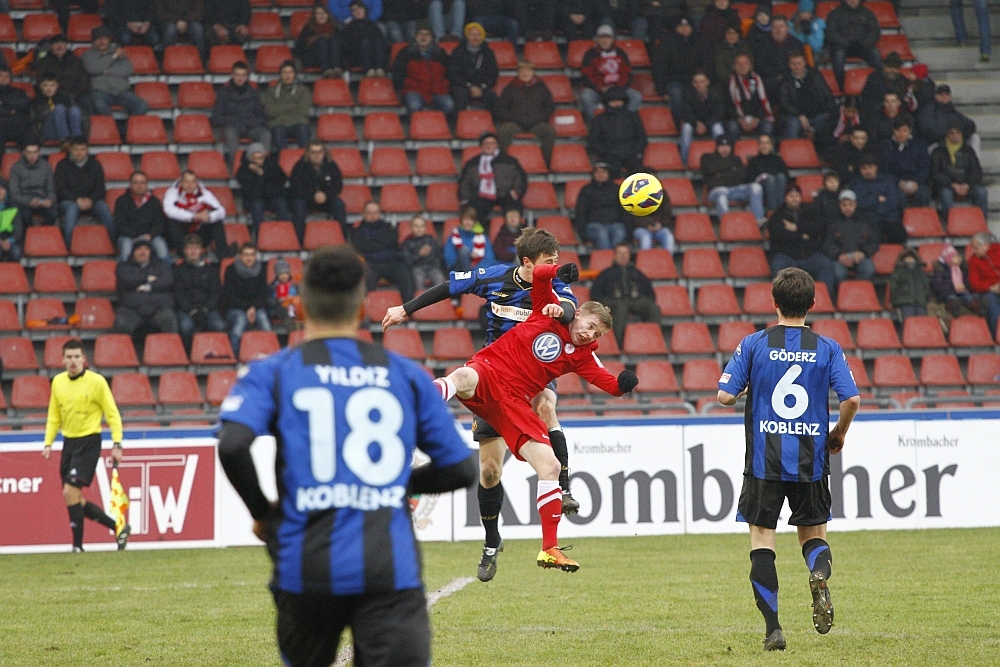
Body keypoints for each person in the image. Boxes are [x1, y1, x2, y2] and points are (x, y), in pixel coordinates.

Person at [217, 244, 477, 667]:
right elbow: (461, 469)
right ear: (361, 308)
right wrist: (397, 480)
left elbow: (231, 446)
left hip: (305, 567)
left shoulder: (272, 371)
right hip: (388, 569)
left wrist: (262, 513)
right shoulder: (407, 375)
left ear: (300, 307)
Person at [381, 229, 582, 580]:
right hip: (494, 377)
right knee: (490, 472)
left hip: (533, 378)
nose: (554, 268)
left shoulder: (554, 287)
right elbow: (448, 287)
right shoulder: (493, 277)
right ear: (526, 263)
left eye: (556, 262)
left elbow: (569, 309)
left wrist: (559, 309)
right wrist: (405, 309)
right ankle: (491, 542)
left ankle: (563, 486)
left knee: (547, 404)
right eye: (548, 263)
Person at [432, 260, 638, 573]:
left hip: (513, 404)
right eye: (589, 325)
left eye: (597, 333)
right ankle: (417, 404)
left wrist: (622, 385)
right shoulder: (549, 309)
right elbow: (540, 275)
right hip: (488, 373)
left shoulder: (582, 355)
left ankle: (549, 549)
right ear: (578, 312)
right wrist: (559, 272)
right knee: (463, 377)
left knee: (550, 466)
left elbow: (605, 381)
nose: (589, 334)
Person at [718, 267, 860, 652]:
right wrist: (840, 432)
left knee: (762, 540)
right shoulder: (828, 347)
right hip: (811, 458)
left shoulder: (754, 344)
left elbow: (725, 397)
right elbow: (852, 399)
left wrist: (746, 387)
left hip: (764, 459)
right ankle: (817, 572)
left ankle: (773, 630)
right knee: (813, 536)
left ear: (774, 302)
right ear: (812, 304)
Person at [43, 339, 130, 553]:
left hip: (89, 441)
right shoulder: (58, 382)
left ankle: (77, 546)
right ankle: (119, 528)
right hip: (69, 443)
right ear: (63, 360)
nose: (73, 361)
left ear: (84, 359)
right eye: (69, 357)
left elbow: (112, 414)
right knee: (75, 499)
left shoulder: (97, 382)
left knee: (69, 492)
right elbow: (54, 415)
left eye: (77, 357)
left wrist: (117, 443)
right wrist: (48, 442)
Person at [768, 183, 836, 299]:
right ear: (785, 197)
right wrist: (803, 235)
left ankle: (826, 300)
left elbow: (820, 228)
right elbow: (779, 236)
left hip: (810, 254)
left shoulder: (810, 211)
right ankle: (784, 304)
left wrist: (797, 228)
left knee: (826, 265)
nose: (794, 199)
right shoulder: (777, 216)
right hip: (787, 255)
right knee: (778, 266)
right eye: (791, 196)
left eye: (797, 196)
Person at [590, 243, 660, 348]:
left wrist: (644, 300)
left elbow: (650, 293)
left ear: (629, 256)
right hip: (612, 302)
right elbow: (595, 293)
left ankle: (653, 342)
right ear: (614, 256)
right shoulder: (605, 274)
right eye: (620, 253)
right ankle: (619, 346)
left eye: (626, 253)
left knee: (653, 308)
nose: (623, 256)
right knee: (621, 307)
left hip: (635, 301)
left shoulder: (637, 273)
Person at [55, 138, 116, 246]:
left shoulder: (96, 165)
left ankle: (115, 242)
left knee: (103, 207)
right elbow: (60, 190)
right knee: (71, 208)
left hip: (92, 201)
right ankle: (68, 246)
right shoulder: (62, 165)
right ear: (70, 150)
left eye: (82, 149)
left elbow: (100, 189)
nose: (79, 152)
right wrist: (76, 200)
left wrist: (91, 200)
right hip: (69, 201)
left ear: (87, 150)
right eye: (76, 149)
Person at [114, 238, 179, 340]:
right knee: (121, 322)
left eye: (146, 249)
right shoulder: (123, 266)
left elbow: (167, 282)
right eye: (139, 249)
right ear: (133, 252)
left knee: (169, 318)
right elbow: (126, 281)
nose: (143, 252)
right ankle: (124, 354)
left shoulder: (161, 265)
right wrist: (147, 278)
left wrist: (146, 287)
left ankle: (169, 354)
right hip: (132, 309)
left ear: (151, 252)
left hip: (158, 308)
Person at [352, 201, 416, 302]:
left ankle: (408, 309)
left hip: (391, 262)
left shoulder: (390, 228)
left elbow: (391, 241)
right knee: (367, 277)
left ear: (380, 213)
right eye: (369, 213)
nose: (373, 215)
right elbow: (361, 246)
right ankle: (369, 312)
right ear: (363, 214)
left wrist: (371, 242)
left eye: (376, 212)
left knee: (405, 273)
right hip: (370, 263)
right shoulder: (356, 231)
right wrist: (381, 243)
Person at [495, 60, 556, 167]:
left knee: (549, 131)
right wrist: (512, 118)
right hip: (515, 123)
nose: (525, 73)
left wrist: (541, 118)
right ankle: (504, 163)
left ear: (533, 72)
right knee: (504, 131)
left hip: (537, 123)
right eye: (522, 70)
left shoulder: (542, 88)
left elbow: (550, 106)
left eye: (528, 70)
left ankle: (545, 163)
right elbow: (501, 108)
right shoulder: (510, 88)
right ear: (518, 72)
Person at [458, 131, 527, 223]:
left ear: (496, 145)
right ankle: (478, 236)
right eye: (485, 143)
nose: (488, 146)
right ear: (481, 146)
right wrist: (465, 200)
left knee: (514, 209)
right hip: (480, 196)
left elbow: (521, 179)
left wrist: (515, 193)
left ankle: (512, 235)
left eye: (491, 143)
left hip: (505, 195)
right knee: (474, 211)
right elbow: (464, 183)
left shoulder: (509, 161)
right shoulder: (472, 164)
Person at [81, 26, 150, 117]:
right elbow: (92, 69)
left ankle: (127, 129)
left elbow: (127, 70)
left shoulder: (119, 52)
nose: (101, 41)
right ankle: (111, 128)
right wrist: (113, 56)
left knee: (142, 106)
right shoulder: (88, 55)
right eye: (98, 39)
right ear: (93, 41)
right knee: (99, 106)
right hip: (100, 92)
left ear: (109, 39)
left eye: (104, 38)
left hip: (122, 91)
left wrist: (105, 71)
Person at [652, 17, 713, 118]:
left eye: (687, 26)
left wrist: (704, 81)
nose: (684, 29)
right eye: (681, 26)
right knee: (676, 94)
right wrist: (662, 90)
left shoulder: (701, 40)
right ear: (676, 28)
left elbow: (707, 63)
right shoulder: (666, 42)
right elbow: (659, 67)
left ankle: (702, 122)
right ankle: (683, 122)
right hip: (674, 81)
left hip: (696, 80)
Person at [579, 24, 643, 121]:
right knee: (586, 96)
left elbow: (628, 73)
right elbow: (586, 75)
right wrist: (600, 87)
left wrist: (618, 88)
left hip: (618, 88)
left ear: (612, 39)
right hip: (599, 89)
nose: (605, 41)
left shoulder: (620, 53)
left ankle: (625, 122)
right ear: (597, 39)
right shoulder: (590, 54)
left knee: (636, 96)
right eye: (602, 37)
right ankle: (595, 126)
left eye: (607, 37)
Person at [288, 139, 347, 244]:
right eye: (313, 152)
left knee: (339, 205)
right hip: (306, 200)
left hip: (326, 199)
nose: (317, 155)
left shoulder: (331, 165)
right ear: (308, 153)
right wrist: (312, 196)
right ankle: (299, 242)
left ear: (324, 153)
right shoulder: (299, 166)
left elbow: (338, 186)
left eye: (319, 152)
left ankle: (342, 240)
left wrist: (326, 195)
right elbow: (296, 187)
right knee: (298, 206)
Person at [212, 61, 271, 165]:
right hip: (233, 127)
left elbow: (262, 116)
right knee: (229, 133)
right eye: (237, 75)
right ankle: (237, 166)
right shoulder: (223, 93)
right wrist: (233, 121)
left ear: (247, 77)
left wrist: (251, 122)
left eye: (243, 75)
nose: (240, 78)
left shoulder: (254, 93)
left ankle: (264, 165)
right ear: (232, 75)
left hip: (251, 127)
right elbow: (216, 117)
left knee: (266, 134)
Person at [174, 234, 226, 350]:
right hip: (186, 310)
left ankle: (216, 353)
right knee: (186, 328)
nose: (193, 251)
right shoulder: (178, 271)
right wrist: (191, 310)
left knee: (219, 326)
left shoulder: (211, 270)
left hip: (208, 308)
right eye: (190, 248)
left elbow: (215, 293)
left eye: (196, 248)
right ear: (185, 251)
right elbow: (178, 294)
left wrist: (206, 309)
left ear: (201, 250)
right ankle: (188, 355)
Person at [222, 243, 272, 357]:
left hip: (256, 308)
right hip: (235, 308)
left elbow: (263, 295)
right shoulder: (231, 270)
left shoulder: (261, 270)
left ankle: (271, 358)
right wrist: (247, 308)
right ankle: (234, 358)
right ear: (240, 256)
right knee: (240, 322)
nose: (249, 258)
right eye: (246, 255)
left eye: (252, 255)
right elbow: (229, 297)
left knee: (265, 322)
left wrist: (253, 308)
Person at [163, 170, 230, 256]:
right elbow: (169, 211)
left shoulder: (204, 193)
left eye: (193, 181)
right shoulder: (172, 193)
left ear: (197, 183)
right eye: (187, 181)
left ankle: (224, 255)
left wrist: (209, 216)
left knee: (217, 221)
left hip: (198, 233)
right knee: (172, 221)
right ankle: (183, 255)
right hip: (181, 233)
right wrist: (193, 216)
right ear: (181, 182)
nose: (190, 185)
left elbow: (221, 211)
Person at [393, 21, 454, 115]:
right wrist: (406, 85)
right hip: (414, 90)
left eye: (427, 34)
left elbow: (449, 72)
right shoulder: (405, 52)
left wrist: (444, 86)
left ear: (432, 37)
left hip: (438, 90)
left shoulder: (440, 53)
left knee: (449, 105)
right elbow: (398, 74)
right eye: (420, 34)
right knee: (414, 106)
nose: (423, 37)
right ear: (415, 36)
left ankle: (436, 126)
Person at [931, 124, 988, 222]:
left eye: (958, 133)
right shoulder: (938, 151)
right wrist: (952, 184)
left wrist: (967, 184)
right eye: (952, 133)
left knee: (981, 192)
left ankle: (982, 223)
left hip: (967, 185)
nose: (955, 136)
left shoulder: (969, 151)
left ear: (962, 135)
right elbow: (935, 174)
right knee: (946, 194)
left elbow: (976, 172)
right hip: (947, 186)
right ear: (947, 135)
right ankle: (950, 223)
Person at [702, 136, 766, 223]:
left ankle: (758, 220)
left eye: (727, 146)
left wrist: (720, 174)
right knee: (721, 195)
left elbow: (743, 176)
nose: (725, 148)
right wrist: (732, 171)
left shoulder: (736, 159)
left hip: (736, 190)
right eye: (722, 146)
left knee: (756, 187)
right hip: (716, 191)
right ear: (717, 147)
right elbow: (710, 171)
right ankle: (727, 225)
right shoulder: (707, 158)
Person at [587, 87, 648, 178]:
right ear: (607, 102)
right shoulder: (599, 119)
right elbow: (593, 141)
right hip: (609, 155)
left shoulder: (633, 117)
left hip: (631, 153)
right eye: (612, 101)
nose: (616, 103)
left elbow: (642, 138)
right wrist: (607, 153)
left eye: (619, 100)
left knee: (640, 173)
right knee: (608, 172)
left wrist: (633, 151)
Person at [823, 189, 879, 287]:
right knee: (838, 273)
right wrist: (839, 255)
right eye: (844, 205)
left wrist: (863, 253)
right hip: (840, 257)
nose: (847, 208)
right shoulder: (833, 222)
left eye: (850, 204)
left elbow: (874, 241)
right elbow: (828, 243)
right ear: (839, 205)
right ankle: (843, 297)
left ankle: (858, 294)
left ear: (855, 204)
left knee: (868, 269)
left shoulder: (866, 220)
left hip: (861, 256)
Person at [777, 51, 836, 142]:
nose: (797, 67)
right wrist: (799, 115)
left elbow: (827, 94)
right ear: (789, 65)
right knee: (793, 123)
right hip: (796, 118)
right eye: (793, 64)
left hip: (817, 116)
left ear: (804, 63)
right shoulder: (785, 80)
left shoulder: (815, 75)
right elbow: (784, 103)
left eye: (799, 63)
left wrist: (829, 111)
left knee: (834, 116)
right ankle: (791, 151)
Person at [825, 0, 882, 91]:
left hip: (863, 45)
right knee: (838, 56)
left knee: (875, 53)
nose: (853, 1)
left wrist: (866, 42)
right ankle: (842, 88)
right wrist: (844, 42)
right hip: (842, 46)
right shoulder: (835, 13)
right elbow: (830, 32)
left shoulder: (867, 12)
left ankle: (880, 85)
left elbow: (875, 31)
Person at [849, 153, 905, 244]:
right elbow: (859, 203)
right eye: (864, 168)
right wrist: (876, 200)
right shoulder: (855, 184)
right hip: (869, 220)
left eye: (870, 167)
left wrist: (875, 207)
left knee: (900, 236)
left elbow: (893, 202)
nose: (868, 171)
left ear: (876, 167)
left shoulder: (888, 180)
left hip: (889, 218)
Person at [114, 171, 170, 262]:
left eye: (142, 183)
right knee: (126, 247)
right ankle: (124, 274)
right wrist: (137, 236)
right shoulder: (121, 201)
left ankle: (167, 275)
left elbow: (159, 224)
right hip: (128, 237)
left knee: (161, 246)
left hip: (150, 237)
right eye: (136, 182)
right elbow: (120, 225)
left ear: (147, 184)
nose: (139, 186)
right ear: (130, 184)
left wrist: (150, 235)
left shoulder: (154, 201)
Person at [235, 143, 291, 232]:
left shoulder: (272, 165)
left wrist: (264, 178)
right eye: (255, 158)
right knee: (257, 206)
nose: (258, 161)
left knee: (281, 203)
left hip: (271, 197)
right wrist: (259, 176)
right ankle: (260, 238)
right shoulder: (243, 171)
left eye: (260, 158)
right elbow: (251, 193)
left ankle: (285, 233)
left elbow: (280, 181)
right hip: (253, 200)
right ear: (250, 158)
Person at [879, 116, 931, 209]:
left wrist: (917, 182)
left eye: (904, 130)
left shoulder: (919, 146)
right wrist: (898, 182)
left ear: (910, 131)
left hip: (916, 181)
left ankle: (919, 221)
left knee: (923, 193)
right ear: (894, 131)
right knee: (898, 196)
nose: (901, 134)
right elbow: (886, 171)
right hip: (896, 183)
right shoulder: (887, 148)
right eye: (898, 130)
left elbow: (925, 168)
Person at [575, 162, 629, 250]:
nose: (600, 174)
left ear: (608, 174)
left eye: (603, 172)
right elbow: (580, 213)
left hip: (615, 224)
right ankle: (607, 260)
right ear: (593, 174)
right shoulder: (586, 190)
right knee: (602, 232)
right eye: (597, 172)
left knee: (619, 231)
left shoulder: (617, 189)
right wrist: (583, 236)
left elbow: (625, 211)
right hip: (594, 226)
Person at [678, 70, 726, 166]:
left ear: (707, 82)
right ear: (693, 83)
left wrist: (706, 125)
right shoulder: (688, 94)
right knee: (686, 128)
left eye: (701, 81)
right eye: (696, 82)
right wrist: (696, 124)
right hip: (694, 123)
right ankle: (684, 163)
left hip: (711, 123)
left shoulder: (716, 94)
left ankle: (722, 161)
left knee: (718, 129)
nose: (699, 85)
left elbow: (719, 113)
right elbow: (686, 113)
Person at [448, 22, 498, 113]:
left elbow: (493, 74)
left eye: (478, 35)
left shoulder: (488, 53)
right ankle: (459, 123)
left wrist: (482, 87)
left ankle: (492, 124)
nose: (475, 37)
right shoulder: (458, 51)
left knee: (492, 97)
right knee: (461, 95)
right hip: (462, 85)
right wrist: (469, 86)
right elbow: (454, 73)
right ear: (467, 35)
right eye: (472, 35)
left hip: (482, 86)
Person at [9, 142, 58, 234]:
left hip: (42, 200)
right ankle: (29, 235)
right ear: (24, 153)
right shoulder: (16, 168)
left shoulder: (46, 166)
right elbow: (14, 194)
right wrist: (28, 201)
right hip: (24, 201)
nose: (32, 155)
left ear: (39, 152)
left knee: (53, 213)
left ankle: (40, 232)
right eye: (29, 152)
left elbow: (51, 189)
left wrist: (50, 200)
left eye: (35, 152)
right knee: (24, 215)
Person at [34, 34, 91, 111]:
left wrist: (76, 92)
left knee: (87, 100)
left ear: (66, 46)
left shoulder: (76, 60)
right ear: (51, 47)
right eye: (56, 44)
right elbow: (40, 80)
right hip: (54, 94)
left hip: (76, 93)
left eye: (62, 43)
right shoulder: (44, 62)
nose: (59, 46)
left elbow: (84, 80)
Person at [919, 84, 980, 155]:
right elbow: (927, 129)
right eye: (941, 94)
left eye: (947, 94)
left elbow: (970, 124)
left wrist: (959, 134)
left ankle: (975, 164)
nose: (944, 96)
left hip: (954, 141)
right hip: (936, 143)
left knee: (975, 138)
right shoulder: (929, 110)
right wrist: (947, 135)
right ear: (936, 96)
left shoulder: (952, 110)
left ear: (950, 96)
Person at [751, 14, 804, 95]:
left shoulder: (797, 44)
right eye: (775, 27)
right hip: (771, 81)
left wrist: (786, 77)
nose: (778, 30)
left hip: (791, 78)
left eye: (781, 27)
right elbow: (760, 66)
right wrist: (777, 76)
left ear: (787, 28)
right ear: (771, 29)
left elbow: (799, 65)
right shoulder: (761, 44)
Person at [727, 54, 776, 141]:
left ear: (750, 66)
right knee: (732, 126)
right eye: (739, 64)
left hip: (757, 118)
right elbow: (727, 106)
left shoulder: (760, 81)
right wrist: (740, 119)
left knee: (767, 126)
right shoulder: (728, 84)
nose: (742, 66)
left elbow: (764, 103)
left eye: (745, 63)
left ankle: (767, 151)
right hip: (738, 119)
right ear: (734, 66)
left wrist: (756, 119)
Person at [264, 61, 312, 150]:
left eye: (290, 72)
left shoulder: (303, 90)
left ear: (295, 74)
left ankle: (306, 161)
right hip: (278, 123)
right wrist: (293, 105)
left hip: (298, 122)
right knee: (277, 131)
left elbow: (303, 110)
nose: (287, 75)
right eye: (284, 72)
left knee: (303, 130)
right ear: (280, 74)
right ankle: (283, 161)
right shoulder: (270, 91)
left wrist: (280, 107)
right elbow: (270, 112)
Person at [30, 75, 83, 144]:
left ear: (57, 86)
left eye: (52, 85)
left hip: (68, 129)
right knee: (59, 108)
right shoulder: (36, 101)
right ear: (41, 86)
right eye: (45, 85)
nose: (49, 88)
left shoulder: (64, 98)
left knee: (74, 110)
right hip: (47, 130)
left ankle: (78, 141)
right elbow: (32, 121)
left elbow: (80, 117)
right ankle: (64, 139)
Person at [341, 0, 390, 76]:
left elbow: (382, 40)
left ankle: (380, 69)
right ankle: (369, 69)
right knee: (365, 42)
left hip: (374, 53)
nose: (357, 11)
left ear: (364, 10)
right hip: (356, 56)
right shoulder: (349, 26)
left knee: (378, 41)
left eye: (359, 8)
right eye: (354, 10)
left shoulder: (372, 24)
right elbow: (346, 44)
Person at [443, 206, 497, 272]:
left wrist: (475, 270)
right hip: (459, 270)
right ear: (461, 221)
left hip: (477, 271)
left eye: (471, 220)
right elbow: (449, 257)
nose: (468, 223)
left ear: (474, 221)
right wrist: (467, 256)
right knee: (463, 251)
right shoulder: (454, 236)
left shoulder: (482, 237)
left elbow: (489, 257)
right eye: (465, 219)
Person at [967, 232, 1000, 338]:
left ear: (985, 245)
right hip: (990, 291)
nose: (974, 251)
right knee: (990, 300)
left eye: (976, 248)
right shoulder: (973, 260)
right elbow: (974, 284)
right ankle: (997, 334)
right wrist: (991, 288)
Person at [295, 3, 342, 78]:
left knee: (334, 39)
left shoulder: (334, 28)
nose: (322, 15)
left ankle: (336, 68)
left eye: (324, 13)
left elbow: (343, 46)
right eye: (319, 13)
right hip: (313, 59)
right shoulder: (308, 28)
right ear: (314, 16)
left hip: (332, 58)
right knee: (322, 40)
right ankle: (326, 70)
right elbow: (299, 48)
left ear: (328, 15)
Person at [932, 244, 979, 318]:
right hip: (947, 292)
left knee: (968, 297)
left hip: (962, 291)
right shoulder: (941, 270)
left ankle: (976, 306)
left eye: (958, 257)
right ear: (948, 259)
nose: (958, 259)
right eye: (955, 257)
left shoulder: (962, 269)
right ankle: (953, 307)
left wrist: (965, 287)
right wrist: (953, 287)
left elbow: (967, 281)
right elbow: (938, 286)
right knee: (951, 298)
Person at [747, 134, 790, 213]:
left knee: (780, 176)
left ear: (771, 146)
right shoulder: (753, 161)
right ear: (758, 146)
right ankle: (773, 210)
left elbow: (786, 176)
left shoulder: (778, 159)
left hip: (777, 187)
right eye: (762, 143)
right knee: (770, 178)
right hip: (761, 189)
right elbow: (751, 179)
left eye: (767, 143)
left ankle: (781, 209)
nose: (764, 146)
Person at [402, 214, 446, 288]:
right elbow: (407, 260)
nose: (419, 229)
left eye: (422, 226)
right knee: (418, 279)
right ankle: (421, 299)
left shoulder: (431, 240)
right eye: (416, 226)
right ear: (411, 228)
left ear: (425, 228)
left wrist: (435, 263)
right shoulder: (407, 243)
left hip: (432, 267)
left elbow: (438, 255)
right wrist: (419, 254)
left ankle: (440, 299)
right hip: (417, 268)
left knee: (439, 278)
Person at [889, 247, 930, 321]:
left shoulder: (921, 273)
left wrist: (925, 299)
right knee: (908, 323)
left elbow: (926, 287)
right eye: (907, 258)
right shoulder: (898, 272)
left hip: (920, 302)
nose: (909, 260)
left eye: (911, 258)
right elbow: (893, 287)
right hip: (904, 302)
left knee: (923, 323)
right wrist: (896, 302)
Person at [0, 69, 31, 151]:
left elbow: (25, 105)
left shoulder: (18, 92)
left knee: (29, 130)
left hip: (17, 126)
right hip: (2, 127)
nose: (4, 78)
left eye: (6, 76)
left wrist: (3, 102)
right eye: (1, 76)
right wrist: (11, 111)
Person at [270, 258, 301, 323]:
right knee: (280, 306)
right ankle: (290, 324)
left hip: (293, 308)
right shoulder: (272, 287)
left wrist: (292, 299)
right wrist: (279, 300)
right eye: (281, 274)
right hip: (278, 310)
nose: (284, 276)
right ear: (277, 275)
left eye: (286, 273)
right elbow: (269, 302)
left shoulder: (295, 286)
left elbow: (300, 298)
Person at [0, 180, 22, 262]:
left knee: (16, 253)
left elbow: (18, 229)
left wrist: (9, 241)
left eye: (2, 189)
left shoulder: (13, 207)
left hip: (10, 238)